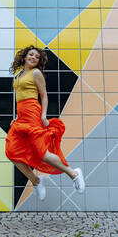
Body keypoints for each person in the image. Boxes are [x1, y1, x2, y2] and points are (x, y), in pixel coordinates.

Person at [5, 45, 85, 200]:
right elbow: (20, 97)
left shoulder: (36, 73)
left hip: (33, 115)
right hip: (21, 117)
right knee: (11, 152)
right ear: (25, 56)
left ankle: (74, 174)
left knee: (42, 154)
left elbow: (44, 96)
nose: (33, 58)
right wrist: (16, 116)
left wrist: (43, 116)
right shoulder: (20, 74)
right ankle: (36, 180)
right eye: (31, 55)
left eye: (37, 57)